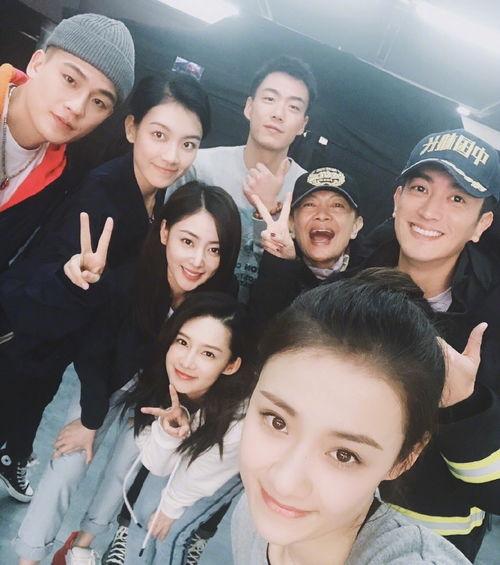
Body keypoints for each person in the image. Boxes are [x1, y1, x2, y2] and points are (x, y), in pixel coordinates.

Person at [0, 72, 210, 502]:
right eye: (159, 135)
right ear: (132, 128)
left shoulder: (156, 195)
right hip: (26, 336)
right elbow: (42, 282)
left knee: (32, 403)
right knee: (20, 399)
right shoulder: (102, 194)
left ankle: (13, 455)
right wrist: (73, 279)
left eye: (188, 143)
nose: (172, 156)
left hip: (58, 344)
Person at [12, 185, 242, 565]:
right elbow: (93, 352)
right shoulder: (130, 276)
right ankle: (30, 557)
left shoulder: (221, 293)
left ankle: (80, 545)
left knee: (124, 471)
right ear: (165, 232)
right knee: (69, 463)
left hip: (157, 395)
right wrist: (90, 419)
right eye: (187, 241)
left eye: (214, 249)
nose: (198, 260)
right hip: (104, 379)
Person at [203, 270, 472, 564]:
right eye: (276, 421)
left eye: (344, 455)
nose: (284, 483)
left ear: (404, 459)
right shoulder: (251, 512)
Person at [347, 129, 500, 560]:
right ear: (397, 198)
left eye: (458, 199)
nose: (431, 210)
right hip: (325, 521)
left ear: (482, 224)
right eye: (420, 188)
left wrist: (463, 407)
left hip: (426, 544)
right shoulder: (348, 286)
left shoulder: (491, 321)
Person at [50, 292, 253, 565]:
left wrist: (170, 508)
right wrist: (168, 433)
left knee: (168, 535)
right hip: (198, 450)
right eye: (182, 342)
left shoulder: (241, 415)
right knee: (147, 516)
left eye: (208, 353)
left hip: (231, 470)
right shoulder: (160, 380)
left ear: (230, 365)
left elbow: (202, 474)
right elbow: (156, 465)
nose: (187, 361)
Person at [166, 55, 317, 300]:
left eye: (294, 107)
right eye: (270, 99)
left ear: (303, 124)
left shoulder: (308, 191)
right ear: (249, 107)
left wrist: (266, 211)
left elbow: (301, 278)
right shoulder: (201, 166)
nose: (278, 114)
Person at [0, 12, 135, 272]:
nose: (77, 107)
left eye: (98, 102)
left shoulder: (62, 181)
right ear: (37, 64)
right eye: (70, 80)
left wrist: (64, 275)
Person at [248, 166, 364, 328]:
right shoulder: (276, 267)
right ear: (291, 223)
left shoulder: (372, 279)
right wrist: (280, 265)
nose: (322, 215)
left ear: (356, 226)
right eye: (309, 204)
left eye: (337, 205)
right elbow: (257, 332)